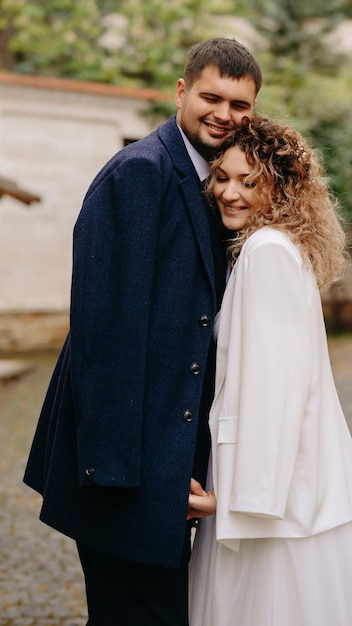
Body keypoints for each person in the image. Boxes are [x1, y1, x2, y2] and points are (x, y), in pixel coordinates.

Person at [23, 38, 262, 626]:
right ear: (181, 91)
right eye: (212, 97)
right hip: (123, 469)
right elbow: (105, 335)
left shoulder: (213, 179)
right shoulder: (139, 174)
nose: (225, 115)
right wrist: (120, 476)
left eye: (241, 106)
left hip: (167, 456)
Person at [188, 114, 352, 625]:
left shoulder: (265, 252)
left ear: (280, 186)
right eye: (221, 178)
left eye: (249, 182)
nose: (229, 193)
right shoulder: (268, 246)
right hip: (270, 480)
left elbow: (277, 387)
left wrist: (243, 502)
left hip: (264, 493)